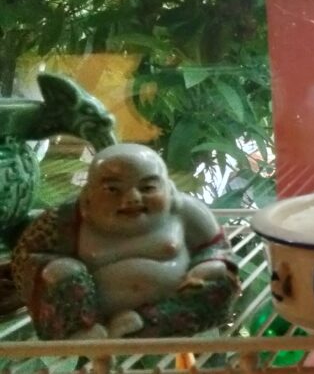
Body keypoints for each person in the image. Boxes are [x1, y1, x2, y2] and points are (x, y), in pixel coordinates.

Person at [12, 144, 239, 339]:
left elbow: (217, 247)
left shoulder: (185, 210)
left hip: (173, 306)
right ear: (89, 194)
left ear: (168, 189)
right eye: (113, 190)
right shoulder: (66, 219)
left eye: (147, 188)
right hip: (93, 315)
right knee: (60, 270)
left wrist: (208, 265)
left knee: (220, 284)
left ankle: (146, 323)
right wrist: (58, 271)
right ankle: (80, 331)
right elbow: (26, 257)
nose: (132, 198)